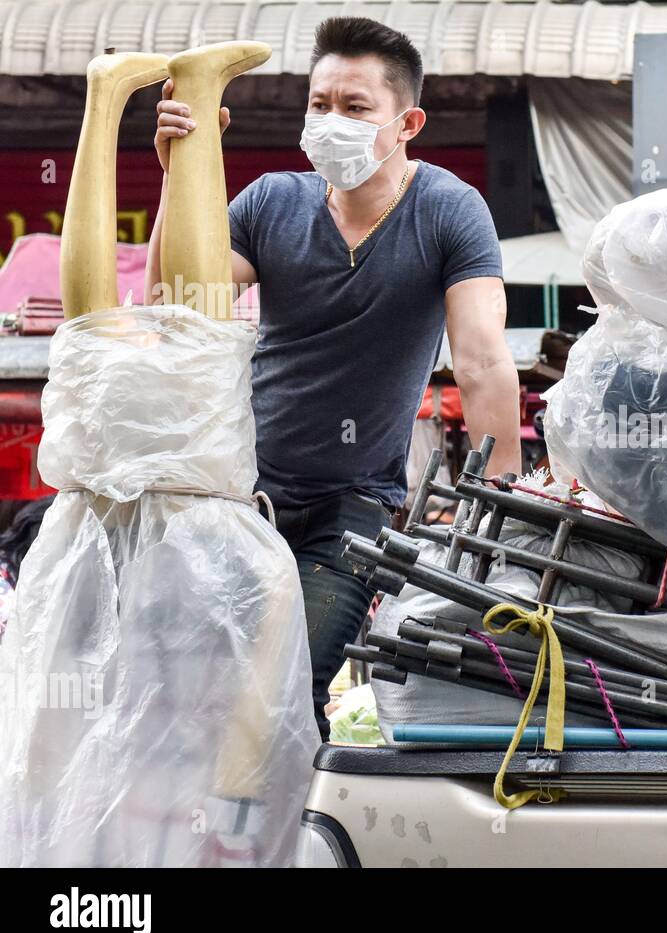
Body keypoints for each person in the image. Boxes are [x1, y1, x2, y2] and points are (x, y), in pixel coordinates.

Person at [145, 16, 522, 739]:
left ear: (407, 122)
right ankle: (224, 838)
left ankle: (294, 841)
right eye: (319, 105)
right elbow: (174, 303)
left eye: (354, 108)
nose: (330, 121)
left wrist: (500, 509)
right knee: (203, 689)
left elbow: (480, 359)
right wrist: (175, 176)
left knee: (292, 684)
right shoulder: (269, 202)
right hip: (235, 490)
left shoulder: (448, 211)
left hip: (352, 507)